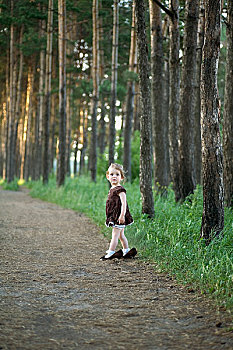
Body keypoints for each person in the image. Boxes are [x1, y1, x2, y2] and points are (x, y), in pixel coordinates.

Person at [100, 163, 137, 260]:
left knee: (115, 235)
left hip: (119, 216)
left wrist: (122, 216)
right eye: (112, 174)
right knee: (121, 235)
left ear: (121, 177)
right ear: (108, 176)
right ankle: (126, 250)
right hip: (115, 215)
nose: (114, 177)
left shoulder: (120, 190)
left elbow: (124, 204)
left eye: (117, 174)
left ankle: (111, 252)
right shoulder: (112, 188)